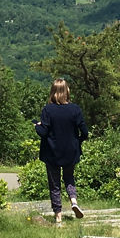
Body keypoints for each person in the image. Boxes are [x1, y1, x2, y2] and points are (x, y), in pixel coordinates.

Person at [35, 78, 89, 223]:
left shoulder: (48, 110)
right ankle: (74, 201)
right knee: (69, 178)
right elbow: (84, 131)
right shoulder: (75, 109)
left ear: (52, 92)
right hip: (70, 151)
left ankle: (58, 215)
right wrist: (78, 141)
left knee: (55, 184)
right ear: (67, 91)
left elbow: (44, 132)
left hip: (52, 152)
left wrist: (36, 126)